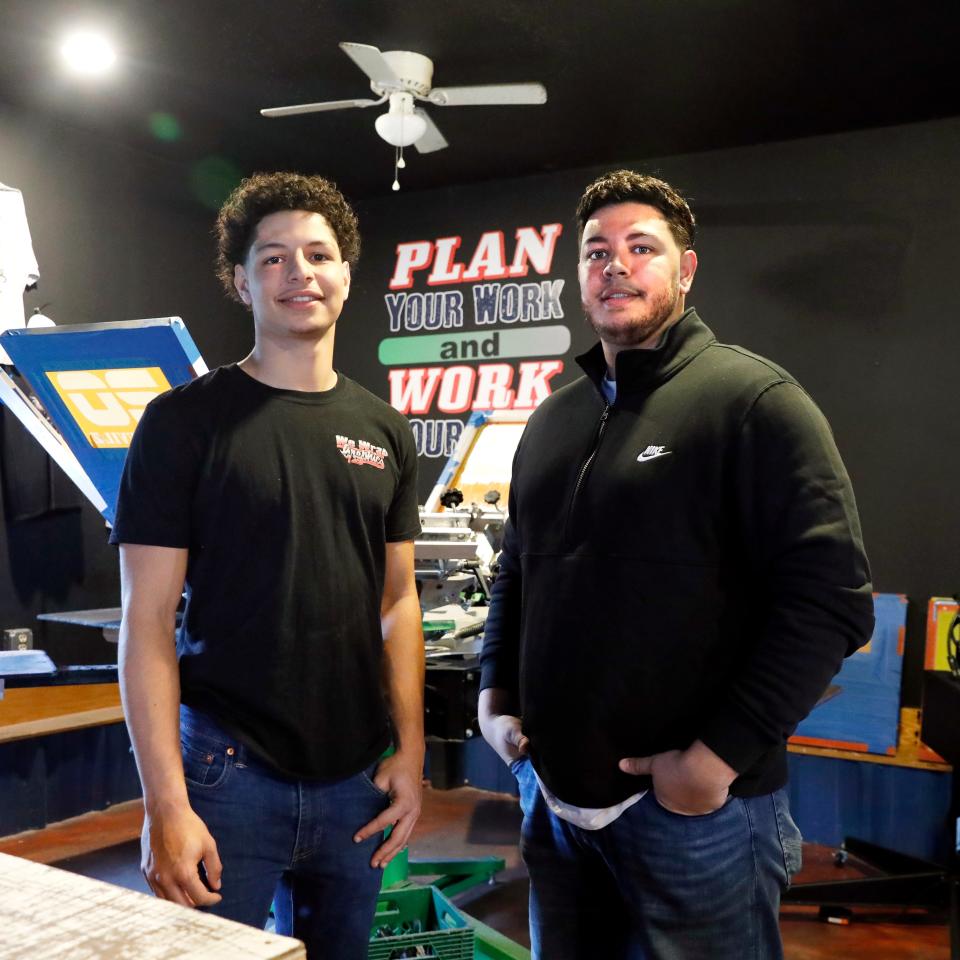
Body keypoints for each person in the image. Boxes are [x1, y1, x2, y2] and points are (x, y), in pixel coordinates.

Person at [478, 169, 874, 960]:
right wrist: (494, 694)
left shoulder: (755, 401)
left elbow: (831, 602)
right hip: (553, 808)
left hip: (696, 819)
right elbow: (521, 567)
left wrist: (712, 762)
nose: (615, 265)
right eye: (596, 251)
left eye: (640, 247)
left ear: (685, 270)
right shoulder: (554, 419)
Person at [112, 172, 425, 959]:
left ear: (347, 275)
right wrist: (164, 804)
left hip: (357, 780)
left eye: (319, 255)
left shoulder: (383, 429)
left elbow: (398, 603)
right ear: (241, 280)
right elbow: (146, 621)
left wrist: (412, 755)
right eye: (274, 258)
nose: (300, 273)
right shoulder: (183, 423)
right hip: (225, 776)